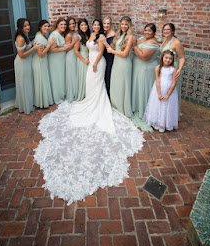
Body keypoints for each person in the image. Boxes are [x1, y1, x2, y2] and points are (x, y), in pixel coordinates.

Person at [34, 18, 144, 204]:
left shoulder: (100, 36)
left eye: (96, 25)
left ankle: (100, 106)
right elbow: (82, 48)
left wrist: (94, 63)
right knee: (89, 89)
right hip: (89, 63)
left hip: (97, 64)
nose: (94, 27)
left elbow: (101, 51)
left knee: (98, 89)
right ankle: (88, 103)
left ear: (99, 26)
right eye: (92, 25)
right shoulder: (89, 36)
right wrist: (88, 60)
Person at [102, 16, 134, 119]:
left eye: (126, 24)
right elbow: (111, 48)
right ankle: (115, 104)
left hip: (124, 64)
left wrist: (112, 52)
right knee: (116, 83)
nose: (124, 26)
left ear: (129, 26)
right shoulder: (119, 35)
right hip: (116, 63)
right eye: (122, 24)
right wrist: (104, 42)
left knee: (123, 84)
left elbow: (125, 54)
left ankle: (122, 106)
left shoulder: (130, 37)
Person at [132, 23, 160, 132]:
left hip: (146, 69)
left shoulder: (152, 43)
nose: (147, 32)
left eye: (149, 31)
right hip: (138, 68)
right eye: (145, 30)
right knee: (138, 87)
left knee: (144, 88)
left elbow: (144, 57)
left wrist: (134, 45)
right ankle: (138, 107)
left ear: (154, 33)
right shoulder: (142, 38)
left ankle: (145, 110)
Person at [144, 50, 179, 132]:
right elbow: (157, 81)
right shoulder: (157, 68)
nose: (168, 60)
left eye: (170, 58)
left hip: (170, 91)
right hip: (159, 90)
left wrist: (168, 94)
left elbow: (174, 83)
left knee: (167, 107)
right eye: (166, 57)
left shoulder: (173, 69)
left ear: (172, 60)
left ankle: (166, 123)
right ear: (162, 57)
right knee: (158, 105)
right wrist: (159, 94)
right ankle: (158, 122)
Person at [14, 18, 41, 114]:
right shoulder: (20, 38)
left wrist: (36, 38)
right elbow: (21, 55)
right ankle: (25, 106)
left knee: (28, 83)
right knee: (24, 84)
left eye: (28, 25)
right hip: (22, 64)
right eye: (25, 26)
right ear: (21, 27)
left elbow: (28, 45)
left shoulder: (24, 36)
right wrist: (34, 48)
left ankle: (29, 102)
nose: (28, 27)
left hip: (27, 62)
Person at [161, 23, 185, 111]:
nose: (165, 31)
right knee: (164, 89)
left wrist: (179, 69)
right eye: (164, 29)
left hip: (172, 69)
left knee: (170, 90)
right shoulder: (165, 40)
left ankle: (171, 112)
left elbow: (182, 57)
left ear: (173, 31)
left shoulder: (176, 42)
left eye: (168, 29)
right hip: (164, 69)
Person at [32, 20, 55, 109]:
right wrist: (49, 45)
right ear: (40, 27)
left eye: (48, 26)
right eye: (44, 26)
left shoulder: (42, 36)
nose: (47, 28)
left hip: (43, 61)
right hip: (39, 62)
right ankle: (41, 103)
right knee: (41, 81)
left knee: (44, 80)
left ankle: (46, 100)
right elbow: (40, 54)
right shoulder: (39, 38)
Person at [48, 18, 69, 104]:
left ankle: (61, 94)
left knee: (60, 77)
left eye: (64, 25)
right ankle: (57, 96)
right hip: (55, 60)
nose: (63, 26)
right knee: (57, 77)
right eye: (61, 24)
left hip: (60, 59)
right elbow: (51, 49)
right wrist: (63, 48)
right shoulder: (54, 35)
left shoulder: (59, 34)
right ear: (57, 25)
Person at [74, 18, 90, 101]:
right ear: (79, 27)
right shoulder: (78, 37)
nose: (84, 26)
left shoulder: (89, 35)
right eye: (82, 25)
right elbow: (76, 51)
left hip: (89, 57)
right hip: (82, 58)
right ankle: (82, 94)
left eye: (85, 24)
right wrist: (83, 60)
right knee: (84, 77)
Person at [65, 17, 79, 103]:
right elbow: (66, 49)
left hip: (76, 55)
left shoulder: (76, 31)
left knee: (76, 74)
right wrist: (73, 42)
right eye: (70, 24)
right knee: (72, 75)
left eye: (73, 23)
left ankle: (77, 92)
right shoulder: (69, 35)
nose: (72, 25)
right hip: (70, 56)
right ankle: (72, 94)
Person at [101, 16, 116, 97]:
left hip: (110, 59)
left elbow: (112, 49)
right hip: (103, 58)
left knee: (108, 76)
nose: (106, 25)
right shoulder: (103, 33)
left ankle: (108, 96)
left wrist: (104, 42)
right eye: (104, 23)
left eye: (108, 24)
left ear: (111, 24)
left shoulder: (114, 35)